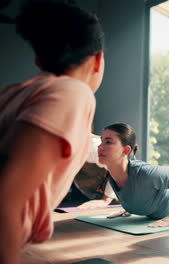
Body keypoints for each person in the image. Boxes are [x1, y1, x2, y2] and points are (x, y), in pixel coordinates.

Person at [0, 1, 105, 263]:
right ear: (97, 60)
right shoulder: (72, 92)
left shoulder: (13, 93)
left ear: (38, 61)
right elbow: (5, 200)